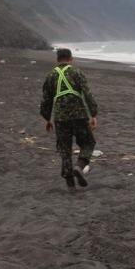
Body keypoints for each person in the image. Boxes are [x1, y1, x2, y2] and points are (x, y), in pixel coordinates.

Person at [40, 48, 99, 188]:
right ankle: (79, 166)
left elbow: (46, 100)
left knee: (64, 149)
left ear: (57, 59)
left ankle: (70, 183)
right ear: (71, 59)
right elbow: (87, 94)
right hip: (79, 115)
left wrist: (47, 118)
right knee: (88, 143)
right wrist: (93, 114)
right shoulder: (77, 72)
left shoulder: (50, 76)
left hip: (60, 118)